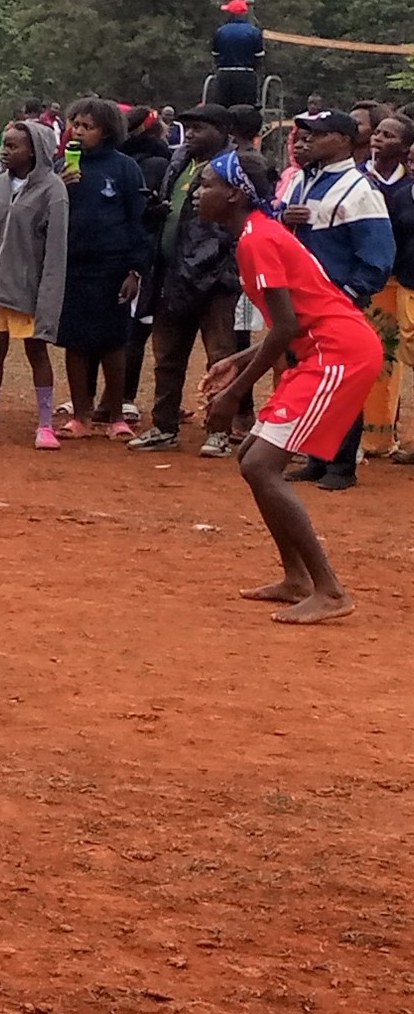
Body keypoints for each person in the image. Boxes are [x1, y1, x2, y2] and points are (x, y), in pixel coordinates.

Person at [197, 149, 375, 624]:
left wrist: (235, 393)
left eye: (208, 184)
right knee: (252, 460)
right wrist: (236, 361)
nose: (198, 193)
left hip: (337, 352)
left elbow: (286, 327)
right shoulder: (257, 234)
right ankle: (297, 578)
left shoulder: (257, 240)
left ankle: (330, 591)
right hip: (323, 349)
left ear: (234, 195)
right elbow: (290, 323)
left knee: (260, 465)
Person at [277, 109, 395, 488]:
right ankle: (317, 457)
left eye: (318, 134)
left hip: (334, 302)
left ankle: (342, 466)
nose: (306, 140)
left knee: (339, 381)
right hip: (300, 301)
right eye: (306, 134)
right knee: (310, 378)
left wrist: (347, 295)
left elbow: (378, 256)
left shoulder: (360, 189)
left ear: (344, 140)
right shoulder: (300, 181)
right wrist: (284, 219)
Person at [137, 104, 250, 454]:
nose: (192, 135)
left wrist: (212, 263)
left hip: (216, 279)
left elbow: (239, 222)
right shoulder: (179, 161)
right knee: (167, 357)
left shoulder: (236, 167)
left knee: (221, 357)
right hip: (172, 274)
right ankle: (163, 426)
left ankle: (219, 430)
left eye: (200, 128)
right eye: (188, 128)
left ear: (223, 131)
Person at [0, 119, 70, 449]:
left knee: (36, 352)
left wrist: (47, 298)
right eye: (4, 145)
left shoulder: (53, 191)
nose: (4, 152)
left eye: (12, 146)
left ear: (34, 150)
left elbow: (55, 251)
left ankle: (46, 425)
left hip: (28, 290)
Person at [57, 99, 151, 438]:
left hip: (113, 267)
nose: (78, 131)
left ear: (107, 131)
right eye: (75, 124)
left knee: (113, 342)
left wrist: (135, 270)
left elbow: (139, 220)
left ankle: (115, 416)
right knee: (75, 342)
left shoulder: (125, 168)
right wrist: (59, 187)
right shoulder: (61, 168)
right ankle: (80, 415)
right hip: (72, 266)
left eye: (88, 126)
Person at [361, 112, 414, 462]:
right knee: (372, 355)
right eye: (377, 132)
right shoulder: (356, 179)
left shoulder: (406, 187)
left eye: (389, 135)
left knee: (395, 357)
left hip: (403, 280)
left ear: (405, 147)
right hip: (369, 281)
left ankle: (383, 433)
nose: (378, 139)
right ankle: (366, 437)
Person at [208, 0, 264, 109]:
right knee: (245, 109)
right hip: (246, 75)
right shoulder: (254, 32)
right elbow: (259, 58)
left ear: (232, 14)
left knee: (223, 109)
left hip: (224, 75)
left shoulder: (221, 31)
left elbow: (216, 55)